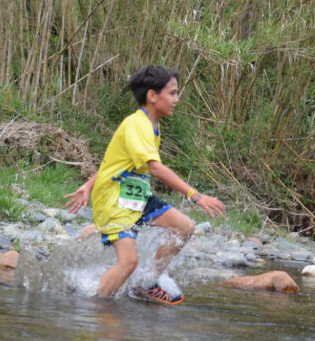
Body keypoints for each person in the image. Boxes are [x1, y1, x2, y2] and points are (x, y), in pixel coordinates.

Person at [64, 65, 225, 304]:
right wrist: (196, 196)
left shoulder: (150, 125)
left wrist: (88, 185)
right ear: (152, 95)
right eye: (172, 93)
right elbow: (155, 167)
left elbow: (116, 160)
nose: (177, 99)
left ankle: (147, 282)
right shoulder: (137, 124)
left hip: (136, 197)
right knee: (128, 262)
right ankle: (95, 306)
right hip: (114, 200)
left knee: (185, 227)